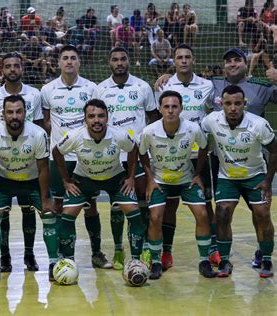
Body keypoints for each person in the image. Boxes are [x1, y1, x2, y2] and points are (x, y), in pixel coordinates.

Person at [52, 99, 146, 267]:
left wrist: (131, 177)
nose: (96, 120)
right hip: (84, 180)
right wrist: (66, 180)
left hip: (115, 179)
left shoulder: (119, 134)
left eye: (101, 116)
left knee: (135, 214)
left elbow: (133, 149)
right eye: (92, 116)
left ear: (107, 118)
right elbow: (57, 152)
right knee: (67, 216)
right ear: (85, 119)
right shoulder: (75, 136)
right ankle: (70, 262)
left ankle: (136, 261)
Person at [41, 45, 111, 269]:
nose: (69, 62)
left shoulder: (92, 88)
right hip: (60, 157)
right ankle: (63, 254)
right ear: (58, 63)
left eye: (73, 58)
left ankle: (96, 252)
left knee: (90, 205)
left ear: (79, 62)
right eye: (65, 58)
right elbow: (46, 120)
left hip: (85, 156)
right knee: (60, 206)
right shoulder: (48, 89)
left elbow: (98, 118)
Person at [93, 47, 159, 270]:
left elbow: (153, 117)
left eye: (123, 59)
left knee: (141, 204)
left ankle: (144, 251)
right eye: (115, 60)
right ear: (109, 63)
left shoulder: (142, 86)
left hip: (138, 156)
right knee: (116, 206)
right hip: (112, 157)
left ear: (129, 61)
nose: (119, 63)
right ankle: (119, 250)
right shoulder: (100, 89)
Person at [139, 90, 216, 280]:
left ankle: (204, 260)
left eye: (174, 107)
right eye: (166, 107)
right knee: (156, 217)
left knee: (203, 213)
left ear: (181, 108)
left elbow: (204, 146)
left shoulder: (193, 128)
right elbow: (141, 153)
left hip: (185, 180)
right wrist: (149, 179)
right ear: (160, 109)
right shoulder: (149, 131)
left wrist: (197, 174)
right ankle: (156, 261)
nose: (171, 111)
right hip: (160, 181)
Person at [201, 85, 277, 278]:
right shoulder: (211, 121)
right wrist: (197, 170)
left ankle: (266, 259)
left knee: (262, 213)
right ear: (221, 104)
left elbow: (275, 151)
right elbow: (200, 141)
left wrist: (268, 181)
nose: (233, 108)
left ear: (245, 104)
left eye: (237, 103)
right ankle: (225, 260)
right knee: (223, 212)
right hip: (228, 177)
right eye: (228, 103)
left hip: (256, 176)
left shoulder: (258, 124)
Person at [156, 44, 218, 270]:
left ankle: (212, 249)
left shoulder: (207, 85)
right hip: (173, 155)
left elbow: (215, 109)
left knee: (205, 203)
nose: (183, 61)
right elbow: (157, 117)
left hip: (199, 154)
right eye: (179, 57)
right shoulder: (164, 85)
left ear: (193, 60)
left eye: (187, 57)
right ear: (173, 61)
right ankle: (166, 252)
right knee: (170, 206)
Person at [0, 95, 58, 282]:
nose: (14, 116)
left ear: (26, 113)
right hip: (4, 180)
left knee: (49, 215)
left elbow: (43, 168)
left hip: (32, 180)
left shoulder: (38, 133)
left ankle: (54, 264)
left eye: (19, 111)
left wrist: (45, 200)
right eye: (10, 112)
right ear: (3, 114)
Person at [0, 52, 43, 272]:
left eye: (16, 66)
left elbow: (38, 127)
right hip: (4, 166)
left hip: (29, 165)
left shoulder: (35, 94)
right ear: (2, 70)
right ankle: (5, 256)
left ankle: (29, 255)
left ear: (22, 68)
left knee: (29, 211)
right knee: (4, 212)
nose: (12, 70)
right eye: (8, 66)